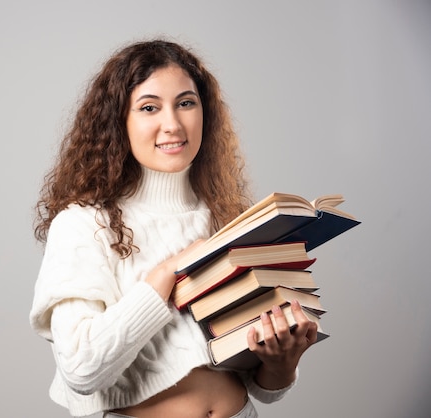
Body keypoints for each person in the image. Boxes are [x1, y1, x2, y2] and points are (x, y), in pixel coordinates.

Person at [29, 38, 319, 418]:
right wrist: (167, 275)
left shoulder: (225, 218)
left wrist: (282, 363)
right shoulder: (83, 225)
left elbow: (261, 389)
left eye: (186, 103)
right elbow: (81, 369)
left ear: (205, 112)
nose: (173, 124)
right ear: (119, 121)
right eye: (149, 108)